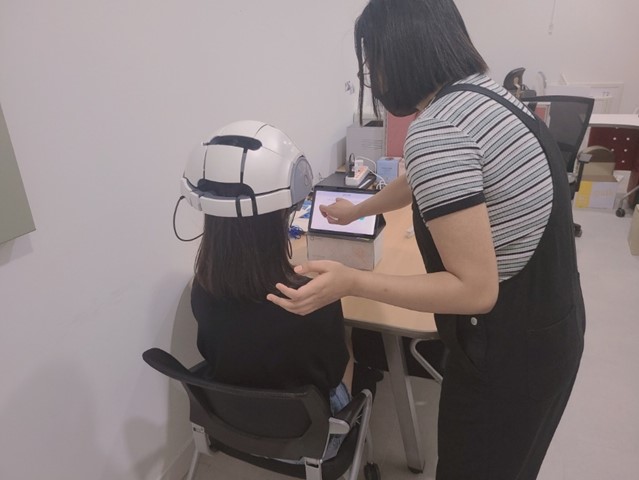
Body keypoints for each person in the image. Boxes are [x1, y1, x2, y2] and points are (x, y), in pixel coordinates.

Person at [267, 1, 585, 479]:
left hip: (510, 350)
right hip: (555, 319)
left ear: (398, 55)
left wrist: (351, 282)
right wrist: (358, 209)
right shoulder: (485, 96)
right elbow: (423, 177)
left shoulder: (437, 131)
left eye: (372, 63)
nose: (374, 78)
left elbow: (474, 290)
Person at [182, 121, 353, 460]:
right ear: (281, 215)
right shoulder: (311, 299)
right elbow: (335, 368)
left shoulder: (201, 288)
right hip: (312, 439)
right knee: (351, 344)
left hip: (232, 426)